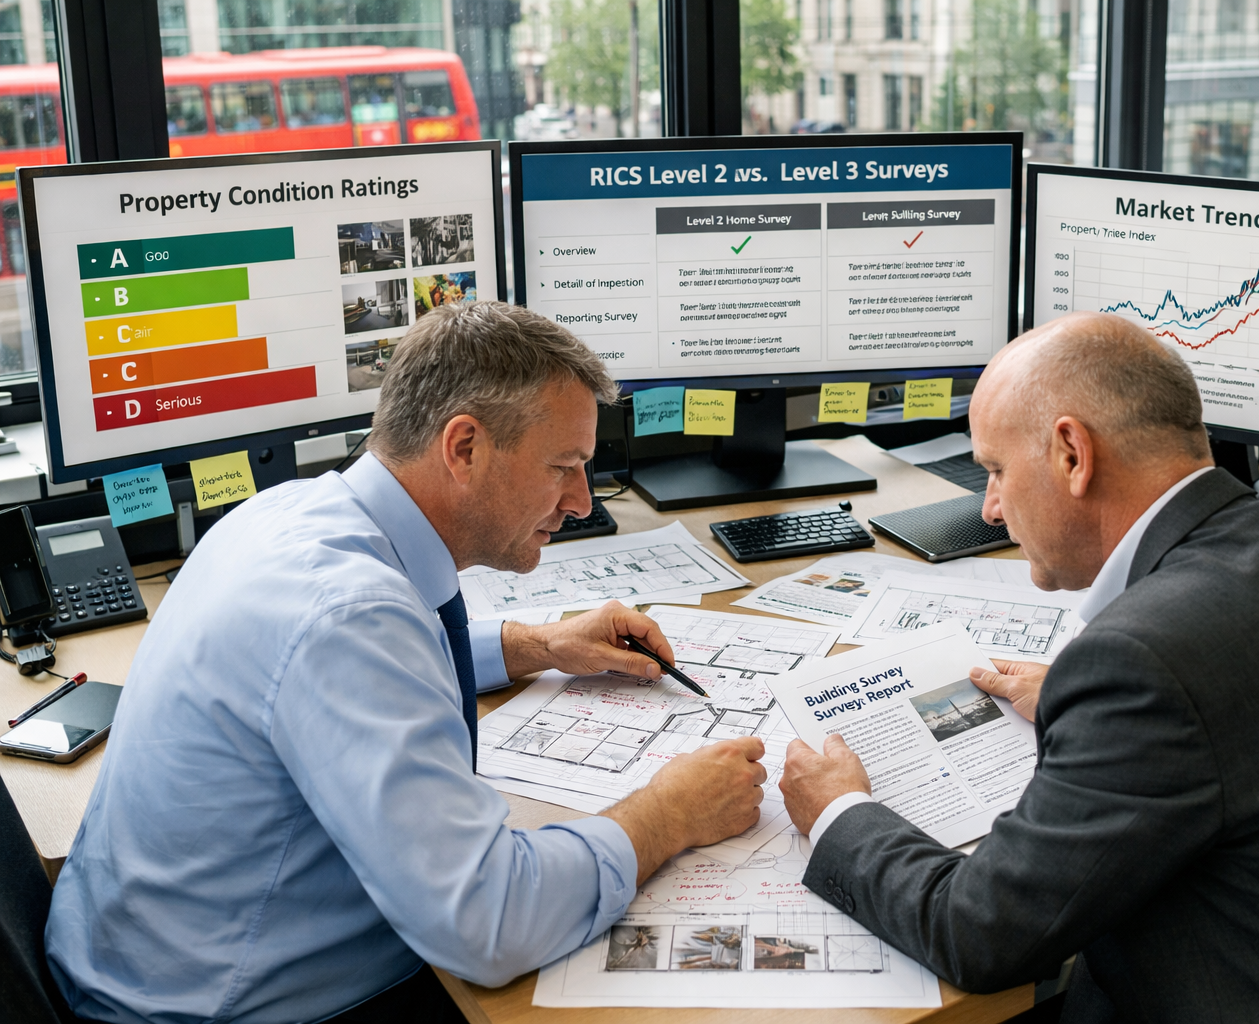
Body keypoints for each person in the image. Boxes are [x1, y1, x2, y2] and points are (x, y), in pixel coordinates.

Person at [46, 302, 767, 1024]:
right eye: (565, 466)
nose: (580, 501)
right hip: (213, 1010)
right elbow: (489, 922)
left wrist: (535, 645)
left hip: (149, 957)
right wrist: (669, 814)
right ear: (464, 448)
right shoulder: (347, 615)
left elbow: (355, 672)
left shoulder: (291, 514)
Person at [778, 312, 1259, 1022]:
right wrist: (1088, 702)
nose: (992, 509)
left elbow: (978, 933)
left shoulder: (1145, 662)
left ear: (1072, 454)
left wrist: (841, 813)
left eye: (996, 470)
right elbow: (1251, 700)